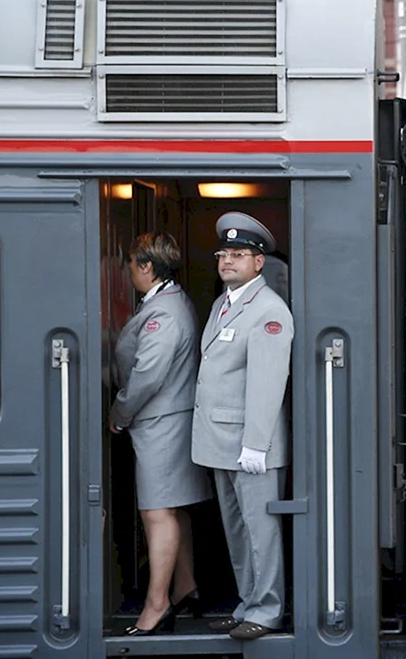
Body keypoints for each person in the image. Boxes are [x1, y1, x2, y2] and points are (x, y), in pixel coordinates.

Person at [192, 212, 294, 641]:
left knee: (260, 530)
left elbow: (268, 383)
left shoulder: (269, 310)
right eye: (224, 253)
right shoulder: (223, 303)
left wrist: (256, 444)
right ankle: (248, 602)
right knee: (237, 531)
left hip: (250, 445)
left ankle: (268, 609)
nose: (228, 261)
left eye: (239, 254)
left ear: (259, 263)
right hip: (220, 441)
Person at [109, 232, 213, 636]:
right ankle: (187, 587)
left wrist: (120, 411)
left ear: (147, 267)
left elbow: (147, 374)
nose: (128, 271)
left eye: (132, 265)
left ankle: (157, 605)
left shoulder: (163, 313)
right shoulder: (171, 300)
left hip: (161, 422)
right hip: (171, 419)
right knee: (174, 507)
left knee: (156, 512)